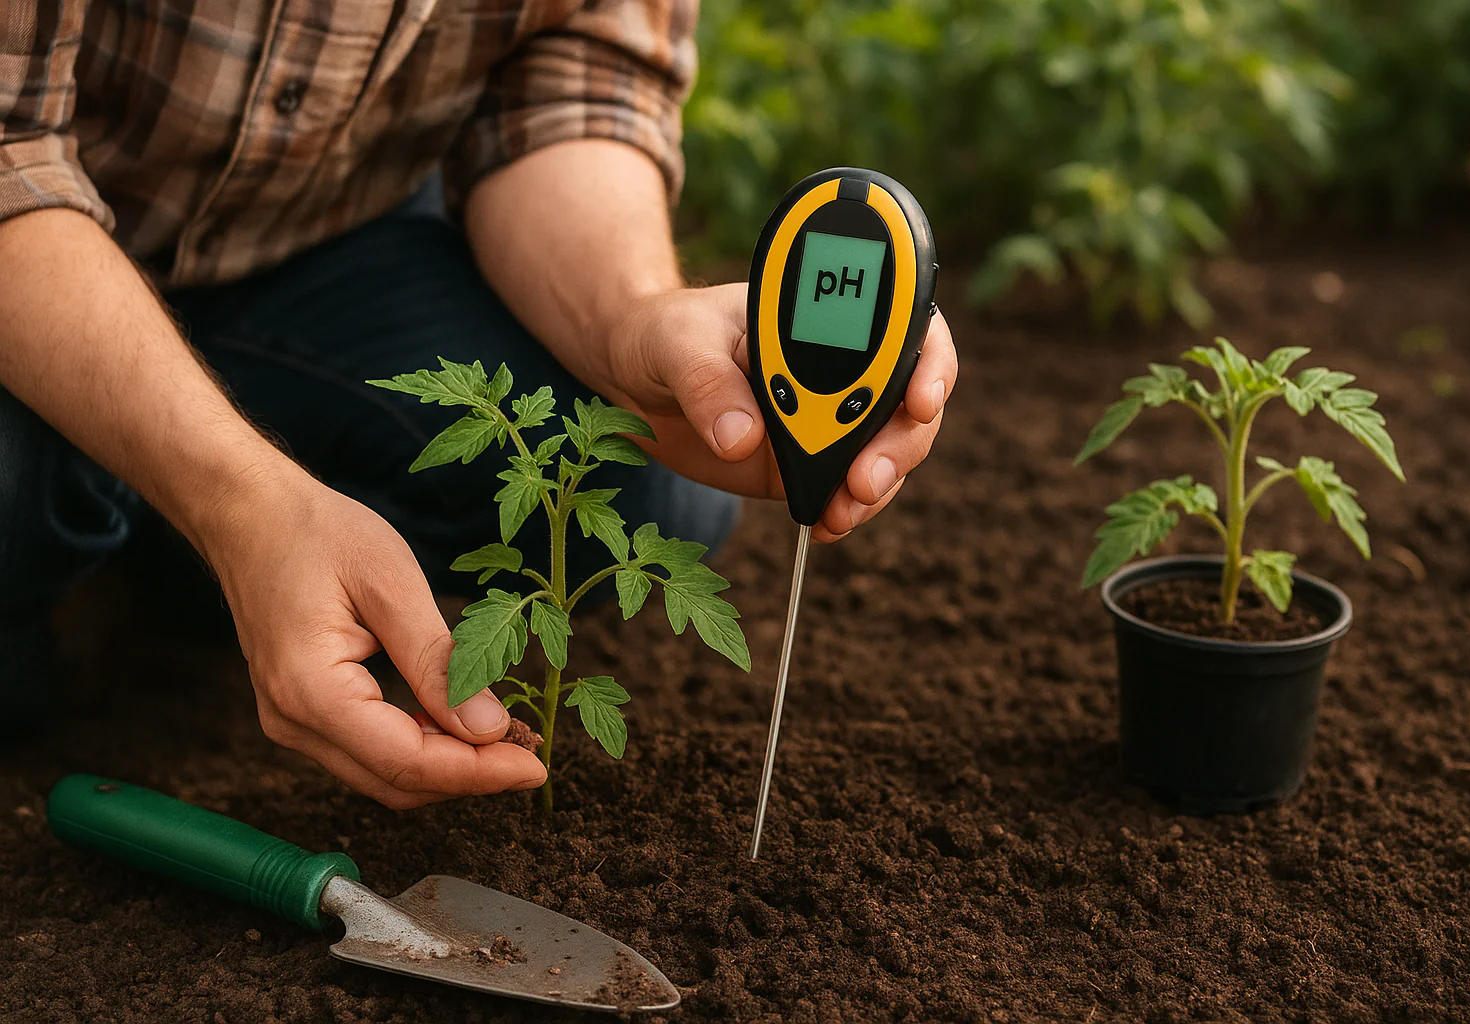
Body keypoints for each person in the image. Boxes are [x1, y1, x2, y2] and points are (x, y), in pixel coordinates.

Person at [0, 0, 957, 808]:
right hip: (29, 245)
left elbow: (569, 87)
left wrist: (629, 317)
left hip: (317, 239)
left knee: (654, 483)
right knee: (17, 524)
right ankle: (147, 523)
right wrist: (241, 506)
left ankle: (164, 542)